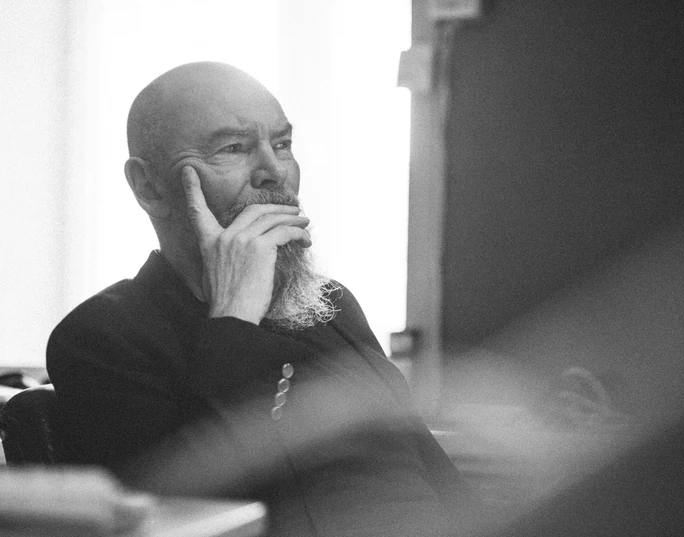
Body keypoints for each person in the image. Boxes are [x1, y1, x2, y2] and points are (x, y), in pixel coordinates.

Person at [46, 62, 478, 537]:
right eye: (233, 148)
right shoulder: (101, 340)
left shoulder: (332, 305)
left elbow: (438, 482)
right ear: (149, 187)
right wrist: (233, 318)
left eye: (283, 144)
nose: (274, 172)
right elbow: (180, 515)